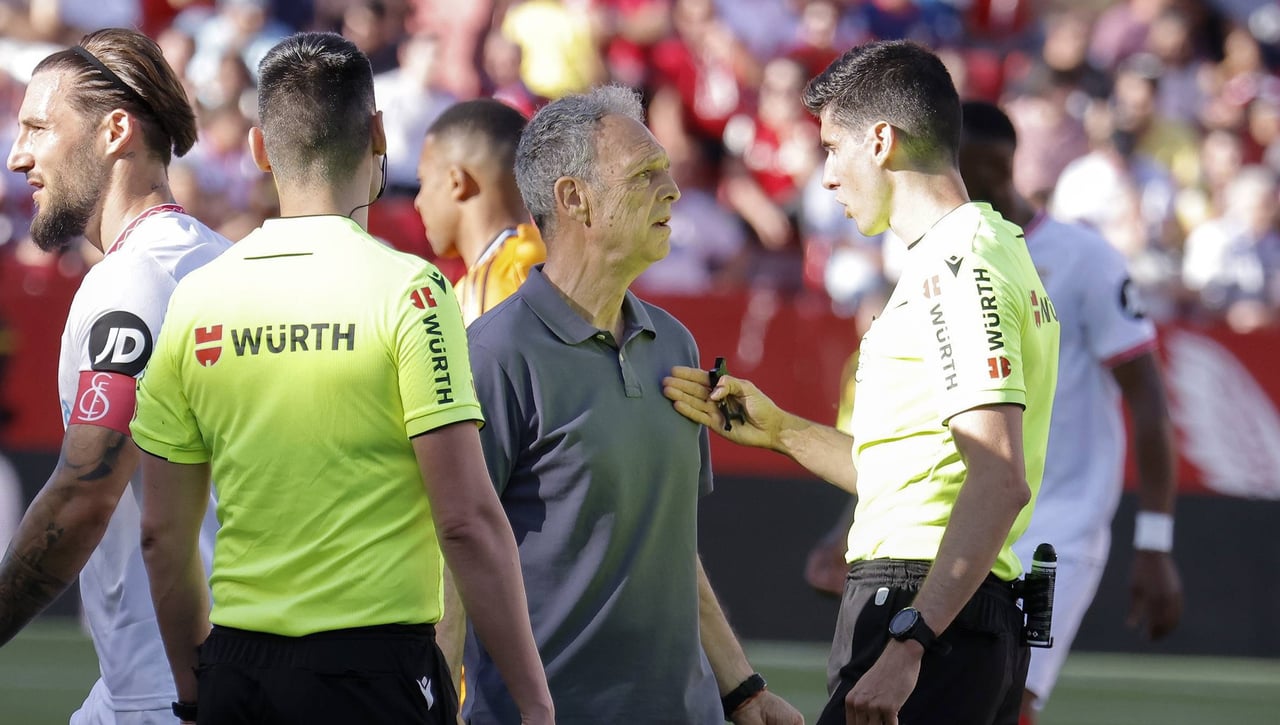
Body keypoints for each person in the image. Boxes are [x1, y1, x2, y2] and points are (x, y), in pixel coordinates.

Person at [130, 32, 553, 725]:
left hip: (239, 669)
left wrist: (195, 686)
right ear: (379, 133)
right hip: (375, 670)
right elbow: (467, 518)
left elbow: (161, 535)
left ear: (262, 148)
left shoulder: (198, 298)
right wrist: (535, 703)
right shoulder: (412, 291)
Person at [664, 41, 1060, 725]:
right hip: (951, 608)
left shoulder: (957, 267)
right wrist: (783, 429)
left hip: (924, 606)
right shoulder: (982, 250)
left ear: (880, 140)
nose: (826, 176)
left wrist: (911, 640)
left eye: (832, 148)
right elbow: (915, 472)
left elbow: (998, 477)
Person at [461, 84, 802, 725]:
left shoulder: (674, 342)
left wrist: (743, 690)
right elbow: (451, 556)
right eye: (646, 174)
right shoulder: (492, 354)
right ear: (573, 198)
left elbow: (669, 544)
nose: (672, 191)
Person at [0, 28, 230, 724]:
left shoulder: (132, 283)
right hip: (217, 672)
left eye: (39, 126)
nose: (18, 156)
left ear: (114, 131)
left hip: (164, 689)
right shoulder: (223, 259)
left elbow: (83, 497)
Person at [413, 98, 545, 326]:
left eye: (422, 181)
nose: (418, 202)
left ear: (456, 182)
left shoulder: (501, 280)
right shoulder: (539, 260)